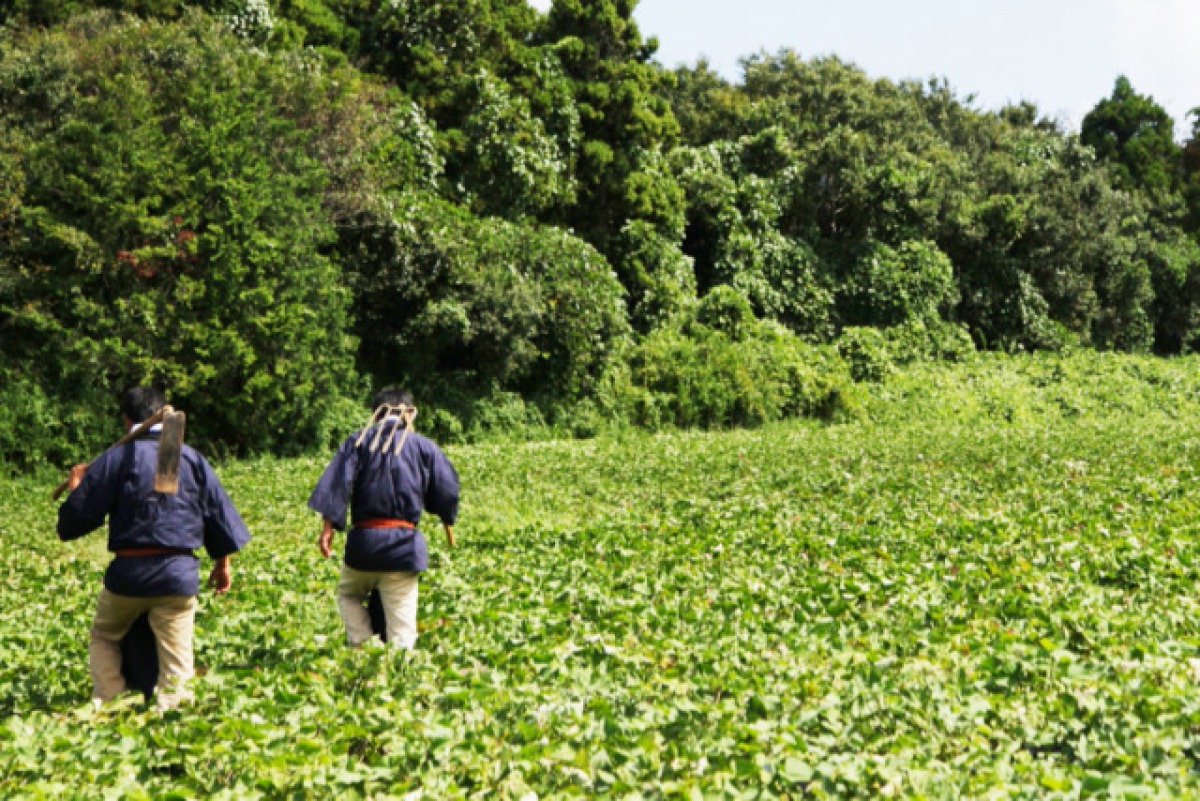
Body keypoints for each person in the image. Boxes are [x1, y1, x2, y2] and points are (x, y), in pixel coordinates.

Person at [57, 387, 251, 710]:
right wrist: (222, 563)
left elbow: (73, 523)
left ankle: (110, 703)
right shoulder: (190, 458)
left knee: (104, 636)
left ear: (126, 420)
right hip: (177, 578)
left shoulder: (116, 459)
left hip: (128, 578)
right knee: (177, 657)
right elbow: (216, 515)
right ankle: (173, 714)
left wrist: (77, 487)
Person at [308, 388, 459, 649]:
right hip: (402, 549)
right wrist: (445, 512)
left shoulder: (358, 441)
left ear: (376, 413)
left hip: (363, 548)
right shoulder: (422, 446)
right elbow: (446, 489)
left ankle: (361, 642)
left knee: (348, 594)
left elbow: (337, 484)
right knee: (402, 632)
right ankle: (400, 662)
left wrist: (327, 527)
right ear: (408, 413)